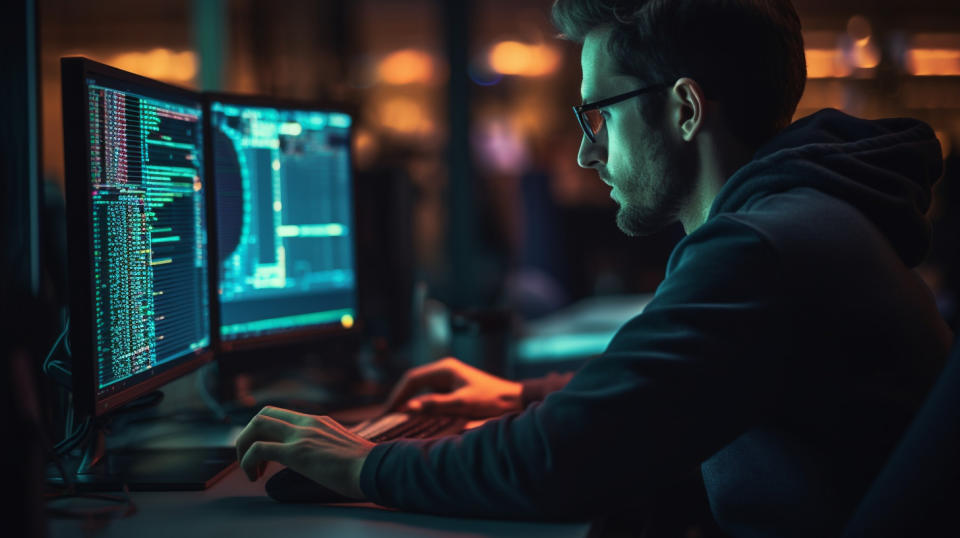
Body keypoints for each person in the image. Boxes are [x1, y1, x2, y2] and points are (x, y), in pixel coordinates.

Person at [234, 0, 954, 535]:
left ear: (684, 109)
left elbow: (557, 464)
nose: (586, 154)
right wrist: (522, 393)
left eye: (599, 117)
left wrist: (360, 464)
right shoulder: (803, 220)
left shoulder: (762, 250)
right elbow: (679, 388)